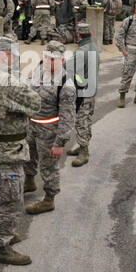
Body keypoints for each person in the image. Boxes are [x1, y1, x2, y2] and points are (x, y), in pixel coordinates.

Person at [0, 36, 39, 264]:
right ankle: (3, 246)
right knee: (11, 197)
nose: (16, 58)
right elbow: (35, 103)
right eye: (13, 54)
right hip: (8, 149)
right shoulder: (5, 80)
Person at [24, 41, 76, 215]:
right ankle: (29, 181)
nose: (48, 61)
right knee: (28, 157)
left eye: (52, 59)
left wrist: (59, 142)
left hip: (49, 131)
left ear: (61, 60)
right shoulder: (39, 69)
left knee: (48, 167)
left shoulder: (65, 84)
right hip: (31, 125)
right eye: (46, 57)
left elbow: (68, 117)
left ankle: (49, 199)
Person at [67, 20, 98, 166]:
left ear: (78, 35)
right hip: (91, 89)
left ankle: (84, 151)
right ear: (90, 34)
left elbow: (70, 70)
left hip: (83, 92)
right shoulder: (94, 47)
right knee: (86, 119)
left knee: (82, 121)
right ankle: (81, 146)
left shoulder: (81, 52)